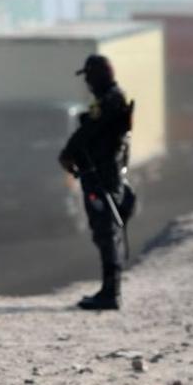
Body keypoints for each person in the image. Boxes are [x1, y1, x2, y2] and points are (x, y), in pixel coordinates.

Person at [59, 54, 134, 311]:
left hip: (104, 175)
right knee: (104, 231)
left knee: (106, 230)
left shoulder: (111, 100)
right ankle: (109, 288)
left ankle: (111, 292)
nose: (88, 82)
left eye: (90, 76)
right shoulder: (108, 99)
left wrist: (68, 152)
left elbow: (89, 131)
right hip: (100, 171)